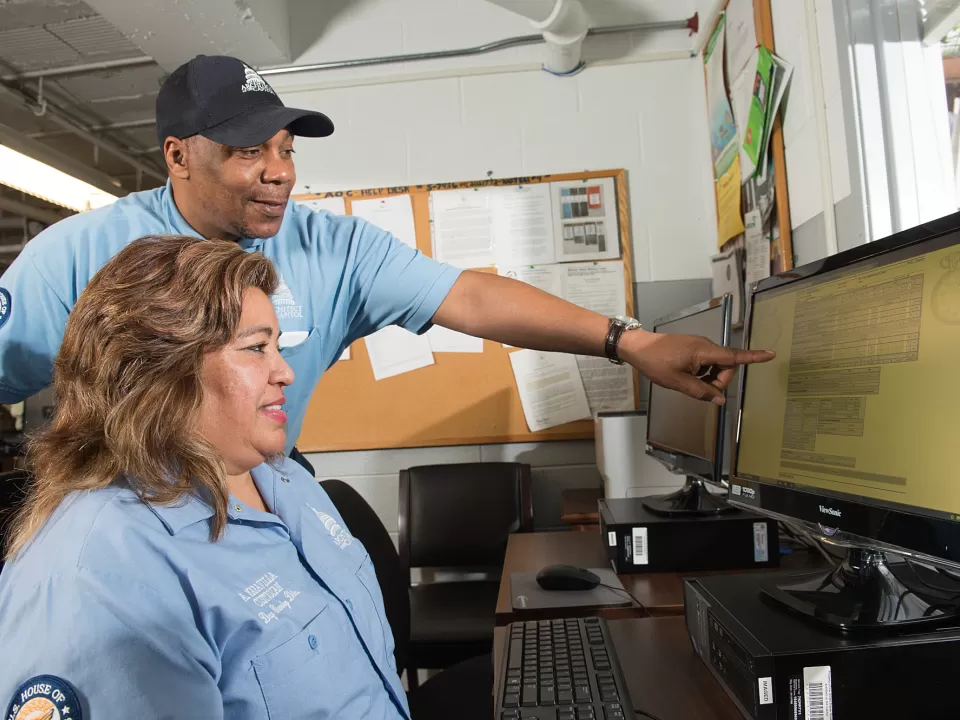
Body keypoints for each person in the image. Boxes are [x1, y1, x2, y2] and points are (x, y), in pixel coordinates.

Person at [0, 55, 773, 475]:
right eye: (247, 152)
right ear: (177, 156)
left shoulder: (330, 247)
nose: (280, 172)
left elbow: (468, 296)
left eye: (286, 150)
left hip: (259, 499)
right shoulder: (82, 255)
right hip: (129, 511)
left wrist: (628, 341)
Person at [0, 235, 409, 719]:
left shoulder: (285, 480)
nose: (285, 372)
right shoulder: (95, 575)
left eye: (278, 345)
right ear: (162, 372)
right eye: (256, 348)